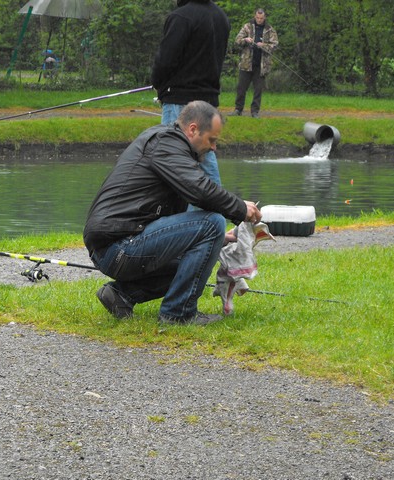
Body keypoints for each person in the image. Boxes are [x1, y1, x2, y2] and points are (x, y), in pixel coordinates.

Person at [84, 101, 261, 325]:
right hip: (118, 246)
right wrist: (240, 208)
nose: (214, 148)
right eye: (212, 140)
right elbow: (200, 190)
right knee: (212, 223)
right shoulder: (166, 144)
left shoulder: (169, 145)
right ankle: (178, 314)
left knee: (199, 257)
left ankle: (122, 294)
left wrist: (217, 239)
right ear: (193, 129)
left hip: (118, 244)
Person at [151, 0, 230, 187]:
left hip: (180, 100)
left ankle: (197, 213)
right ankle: (217, 210)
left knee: (174, 159)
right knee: (205, 158)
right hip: (209, 102)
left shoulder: (181, 17)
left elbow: (165, 61)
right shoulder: (221, 17)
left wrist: (157, 83)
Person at [231, 8, 279, 118]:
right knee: (241, 88)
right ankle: (238, 110)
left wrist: (264, 45)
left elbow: (275, 45)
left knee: (258, 90)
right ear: (255, 16)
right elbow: (237, 40)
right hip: (246, 63)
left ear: (265, 17)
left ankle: (255, 112)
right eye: (257, 17)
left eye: (261, 18)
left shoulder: (270, 29)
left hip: (261, 65)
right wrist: (245, 40)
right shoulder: (247, 26)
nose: (259, 20)